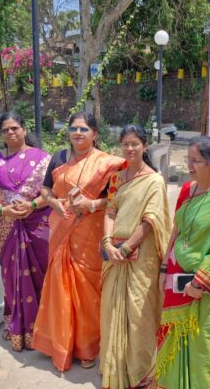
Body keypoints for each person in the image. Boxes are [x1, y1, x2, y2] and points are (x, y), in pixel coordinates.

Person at [32, 112, 126, 371]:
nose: (78, 133)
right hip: (61, 229)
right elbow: (45, 189)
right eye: (74, 128)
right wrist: (53, 202)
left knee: (88, 292)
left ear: (95, 134)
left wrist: (91, 204)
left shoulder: (107, 164)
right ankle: (60, 344)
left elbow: (119, 198)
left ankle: (87, 348)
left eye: (84, 129)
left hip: (90, 234)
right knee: (60, 287)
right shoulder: (59, 158)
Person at [155, 136, 210, 389]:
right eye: (188, 159)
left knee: (205, 346)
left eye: (195, 161)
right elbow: (176, 230)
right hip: (176, 279)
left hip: (207, 288)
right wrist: (164, 267)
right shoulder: (187, 189)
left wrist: (199, 282)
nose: (189, 166)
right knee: (173, 341)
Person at [99, 125, 171, 389]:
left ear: (145, 146)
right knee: (112, 309)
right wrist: (108, 243)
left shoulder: (154, 180)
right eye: (125, 144)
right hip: (115, 255)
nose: (129, 149)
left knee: (140, 313)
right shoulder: (117, 179)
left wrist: (127, 248)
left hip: (141, 256)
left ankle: (142, 373)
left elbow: (151, 220)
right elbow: (110, 211)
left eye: (135, 144)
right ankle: (115, 370)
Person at [0, 111, 51, 352]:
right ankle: (18, 328)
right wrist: (2, 210)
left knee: (41, 275)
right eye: (5, 129)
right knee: (11, 277)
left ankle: (43, 330)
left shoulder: (42, 158)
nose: (10, 132)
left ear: (24, 130)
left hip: (37, 224)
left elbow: (51, 192)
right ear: (1, 134)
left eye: (14, 128)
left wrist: (31, 205)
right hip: (6, 225)